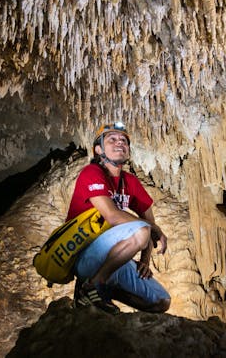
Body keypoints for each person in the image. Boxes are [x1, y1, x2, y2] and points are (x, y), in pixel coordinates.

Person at [68, 122, 171, 314]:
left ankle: (103, 290)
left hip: (116, 258)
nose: (119, 143)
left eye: (124, 140)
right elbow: (113, 216)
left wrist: (145, 261)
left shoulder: (130, 182)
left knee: (162, 301)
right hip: (86, 255)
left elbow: (149, 219)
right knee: (142, 229)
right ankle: (92, 285)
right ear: (98, 150)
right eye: (112, 139)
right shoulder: (91, 173)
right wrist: (155, 231)